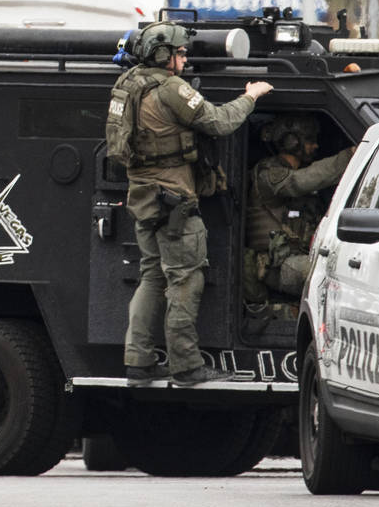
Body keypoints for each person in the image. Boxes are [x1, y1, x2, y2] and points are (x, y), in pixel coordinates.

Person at [108, 21, 273, 387]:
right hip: (174, 202)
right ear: (164, 55)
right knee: (186, 279)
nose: (184, 59)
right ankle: (186, 365)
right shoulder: (169, 89)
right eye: (180, 53)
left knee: (151, 276)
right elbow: (218, 122)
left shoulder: (129, 84)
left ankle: (138, 360)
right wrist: (251, 96)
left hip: (144, 198)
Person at [243, 115, 353, 317]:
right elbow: (301, 181)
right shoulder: (268, 175)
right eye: (310, 140)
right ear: (292, 142)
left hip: (301, 256)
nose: (316, 145)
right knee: (330, 274)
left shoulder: (308, 186)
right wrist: (351, 156)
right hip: (273, 265)